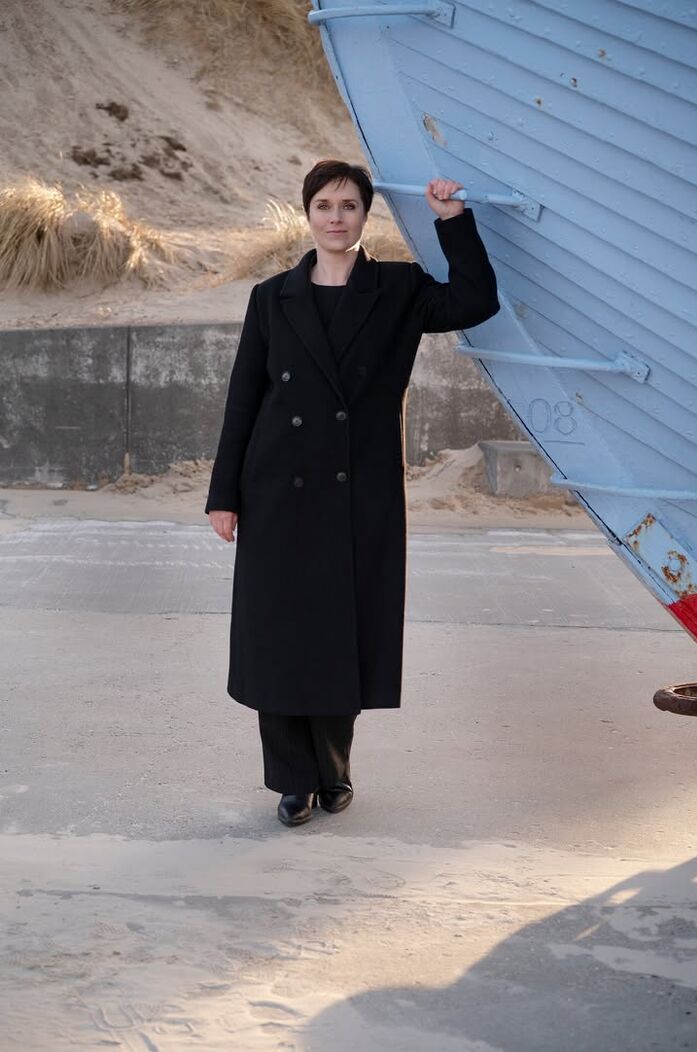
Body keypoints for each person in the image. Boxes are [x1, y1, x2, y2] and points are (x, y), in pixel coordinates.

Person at [206, 158, 499, 827]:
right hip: (277, 492)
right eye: (324, 206)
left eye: (348, 206)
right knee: (281, 635)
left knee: (342, 633)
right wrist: (225, 495)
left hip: (358, 492)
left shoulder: (397, 288)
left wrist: (452, 222)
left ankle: (333, 769)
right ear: (307, 214)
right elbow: (244, 399)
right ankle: (291, 780)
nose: (336, 218)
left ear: (366, 215)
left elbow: (475, 301)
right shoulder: (272, 297)